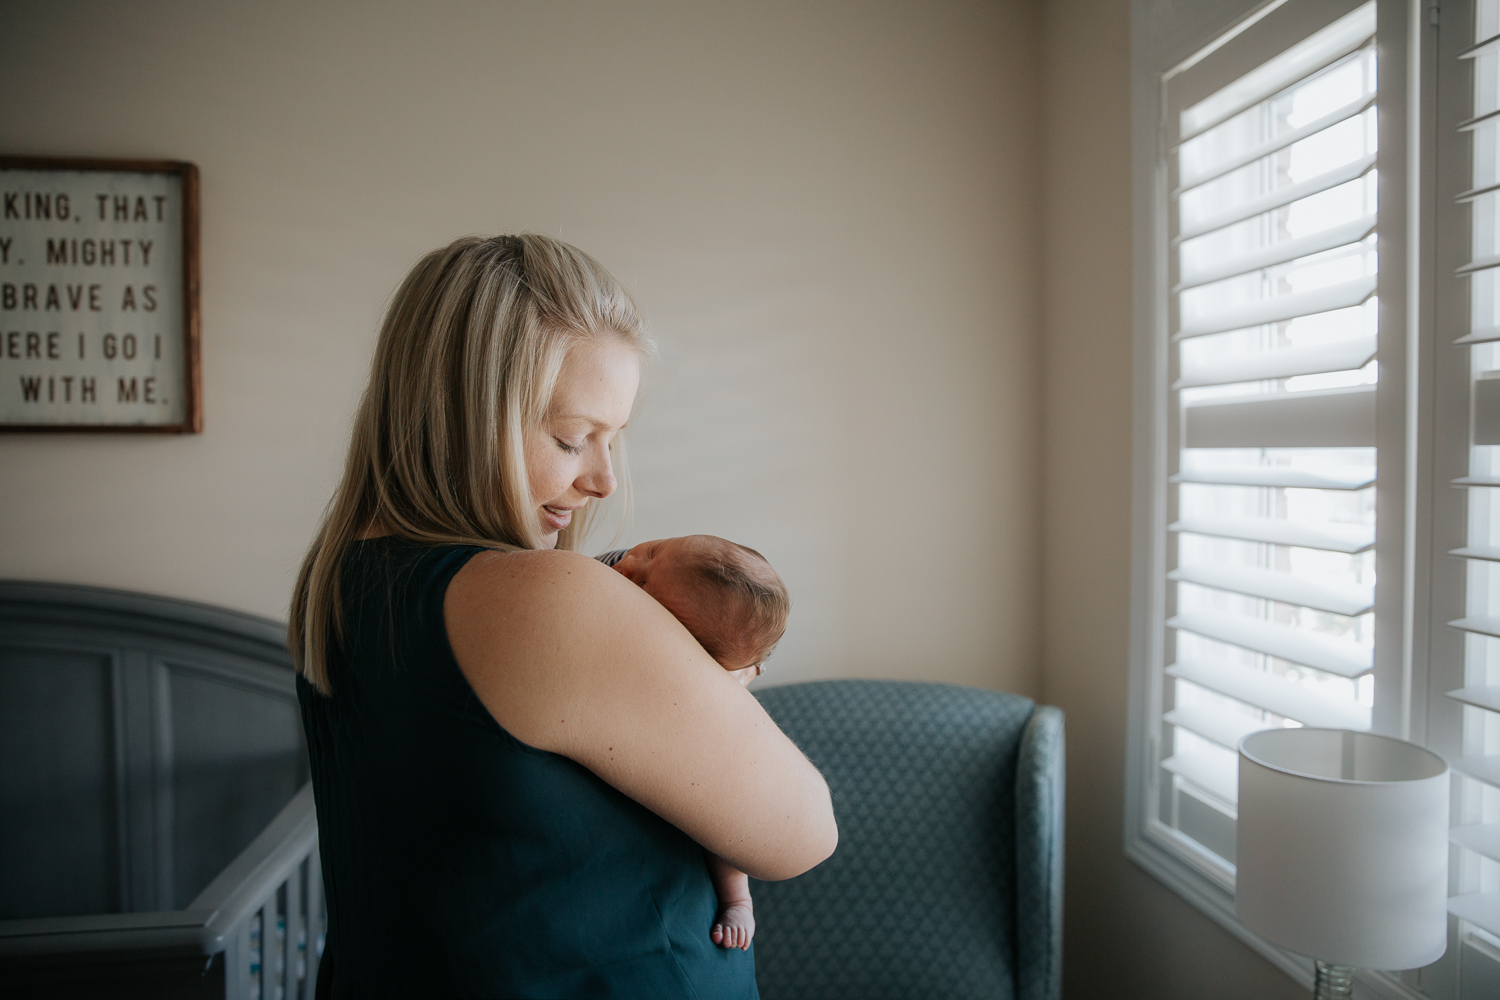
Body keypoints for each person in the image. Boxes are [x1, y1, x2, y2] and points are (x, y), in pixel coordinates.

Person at [288, 234, 837, 999]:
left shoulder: (343, 580)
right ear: (462, 416)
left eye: (614, 440)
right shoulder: (541, 598)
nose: (605, 480)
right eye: (573, 438)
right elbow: (803, 830)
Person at [596, 535, 792, 950]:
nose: (631, 566)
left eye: (646, 589)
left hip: (687, 743)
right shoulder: (611, 569)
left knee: (723, 802)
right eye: (654, 551)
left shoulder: (692, 682)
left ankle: (737, 899)